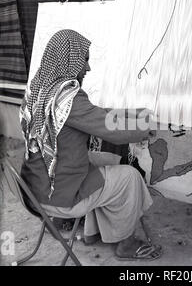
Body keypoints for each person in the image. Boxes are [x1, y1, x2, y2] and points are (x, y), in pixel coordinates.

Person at [20, 29, 162, 261]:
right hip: (57, 195)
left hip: (35, 184)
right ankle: (126, 244)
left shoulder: (38, 89)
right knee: (129, 177)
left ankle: (92, 231)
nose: (87, 68)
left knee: (109, 159)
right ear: (69, 60)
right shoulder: (68, 99)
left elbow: (95, 115)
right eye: (84, 59)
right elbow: (110, 130)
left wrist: (134, 114)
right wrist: (145, 128)